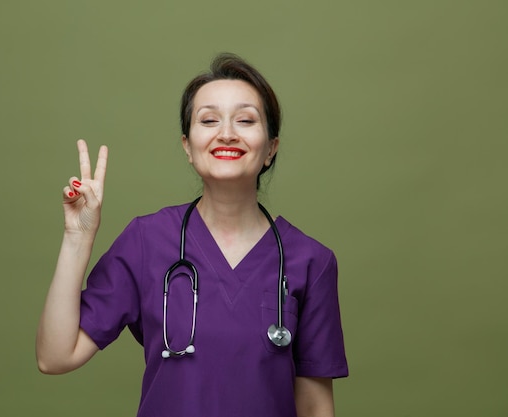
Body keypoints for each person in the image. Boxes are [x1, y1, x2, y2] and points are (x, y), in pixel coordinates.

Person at [36, 53, 348, 417]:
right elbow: (55, 356)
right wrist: (78, 238)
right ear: (187, 146)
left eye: (245, 120)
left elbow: (314, 407)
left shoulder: (311, 261)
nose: (227, 133)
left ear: (270, 149)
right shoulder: (146, 240)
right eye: (209, 120)